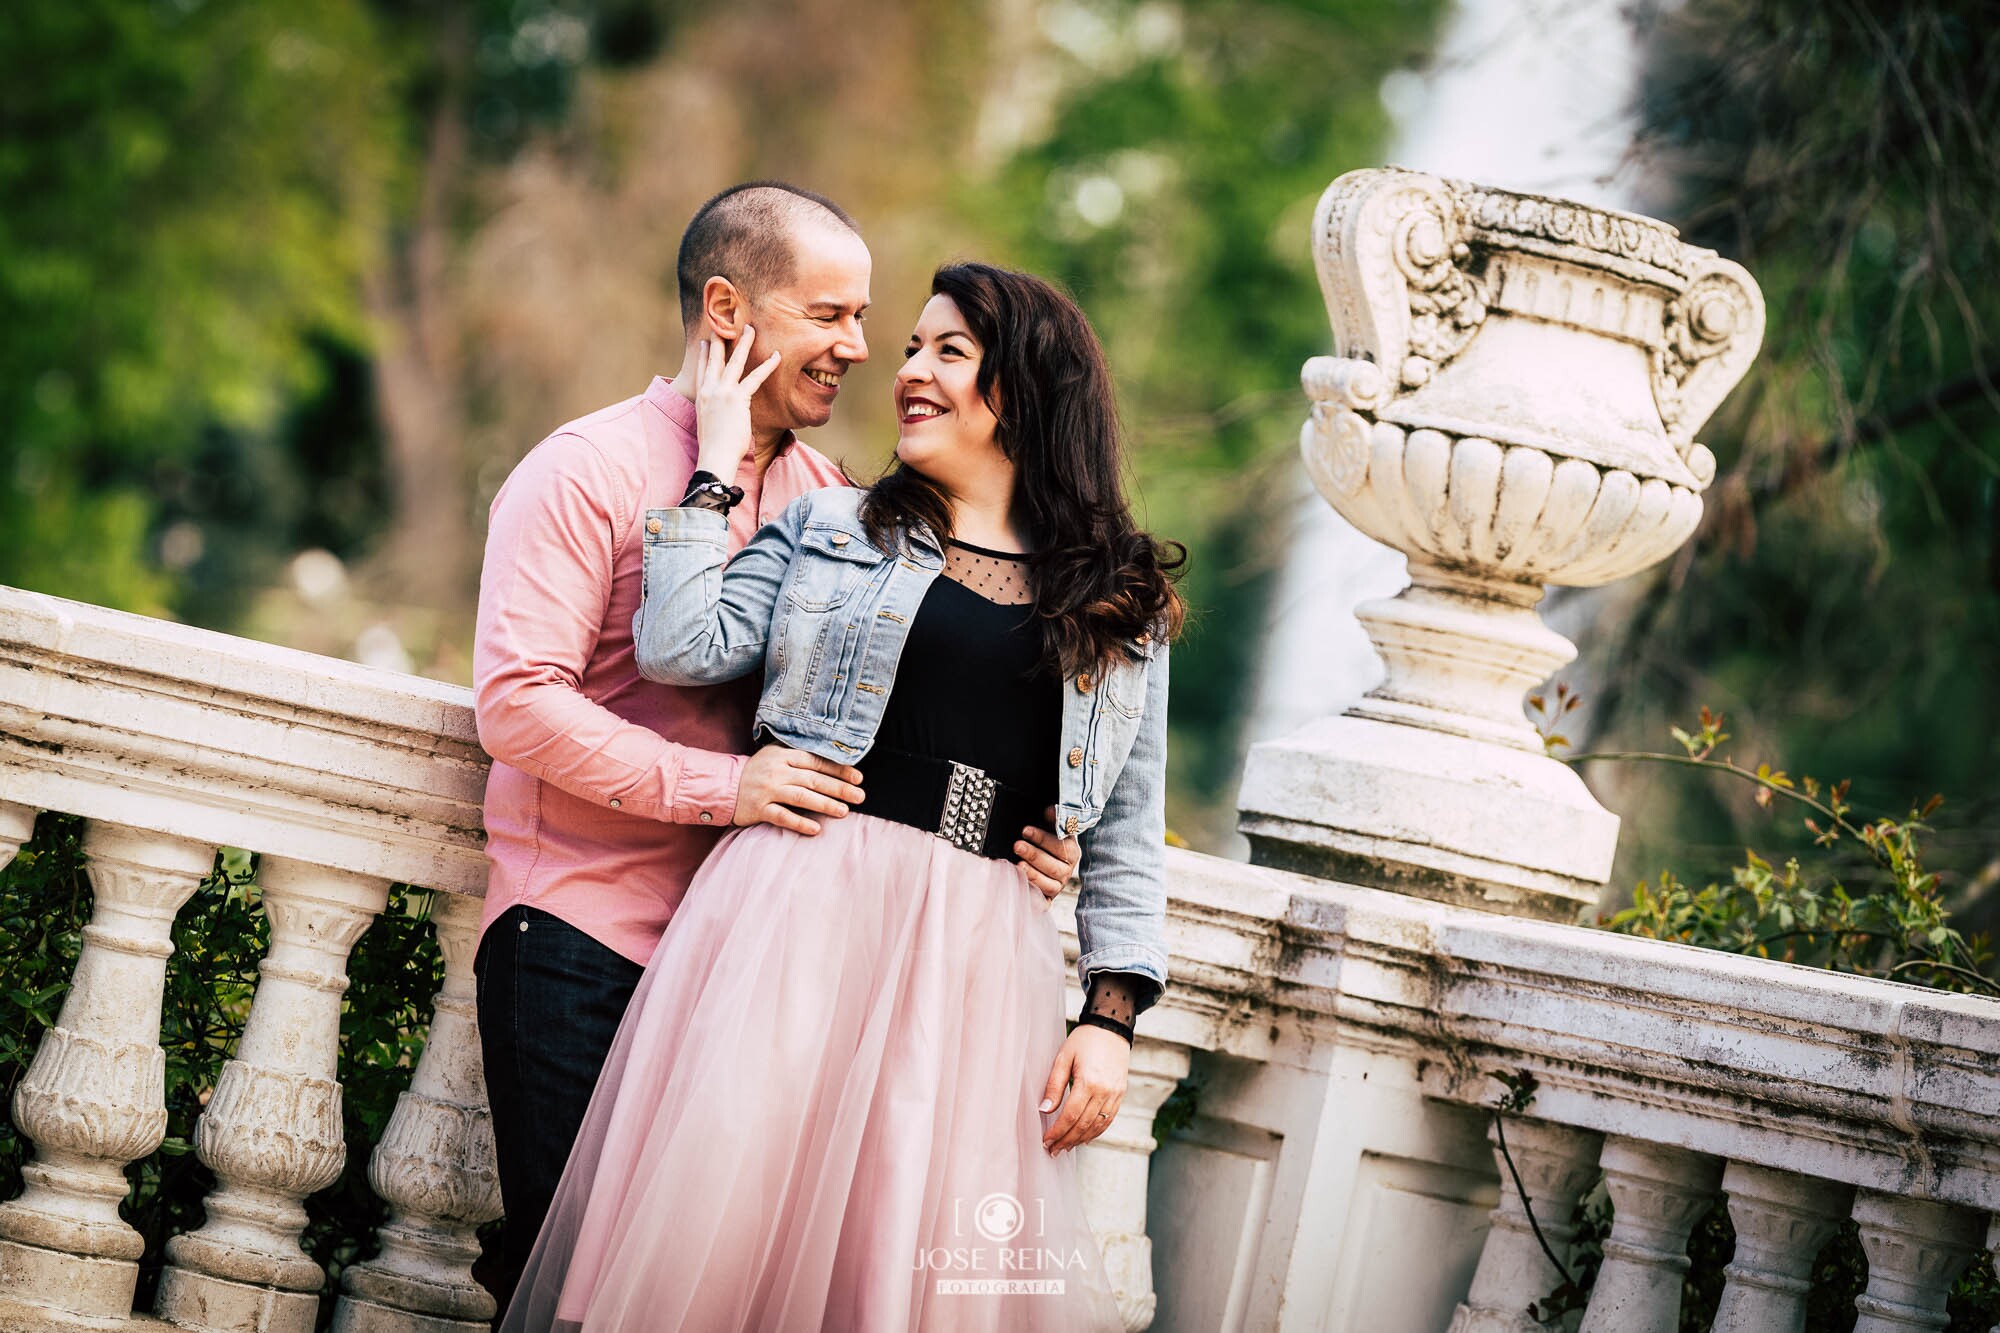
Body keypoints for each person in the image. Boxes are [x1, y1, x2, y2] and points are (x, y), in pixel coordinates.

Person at [500, 261, 1183, 1332]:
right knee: (723, 1241)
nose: (907, 370)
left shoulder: (1117, 599)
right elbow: (678, 647)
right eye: (909, 347)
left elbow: (1128, 829)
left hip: (976, 955)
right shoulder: (833, 526)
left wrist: (1110, 1013)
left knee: (892, 1273)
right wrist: (715, 472)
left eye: (945, 351)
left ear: (1029, 386)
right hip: (799, 909)